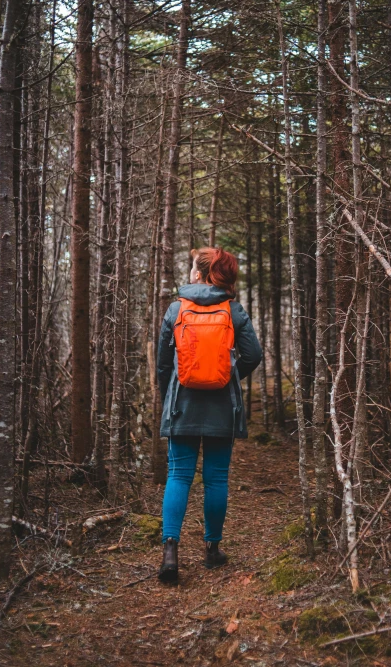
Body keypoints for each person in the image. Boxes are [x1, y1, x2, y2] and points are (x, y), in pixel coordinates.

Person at [156, 246, 262, 584]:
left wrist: (170, 393)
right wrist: (227, 376)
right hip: (221, 407)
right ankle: (212, 549)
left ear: (201, 274)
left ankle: (170, 551)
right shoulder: (234, 310)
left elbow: (162, 365)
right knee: (216, 478)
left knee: (179, 475)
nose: (189, 273)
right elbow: (253, 355)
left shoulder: (176, 310)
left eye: (192, 268)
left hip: (181, 406)